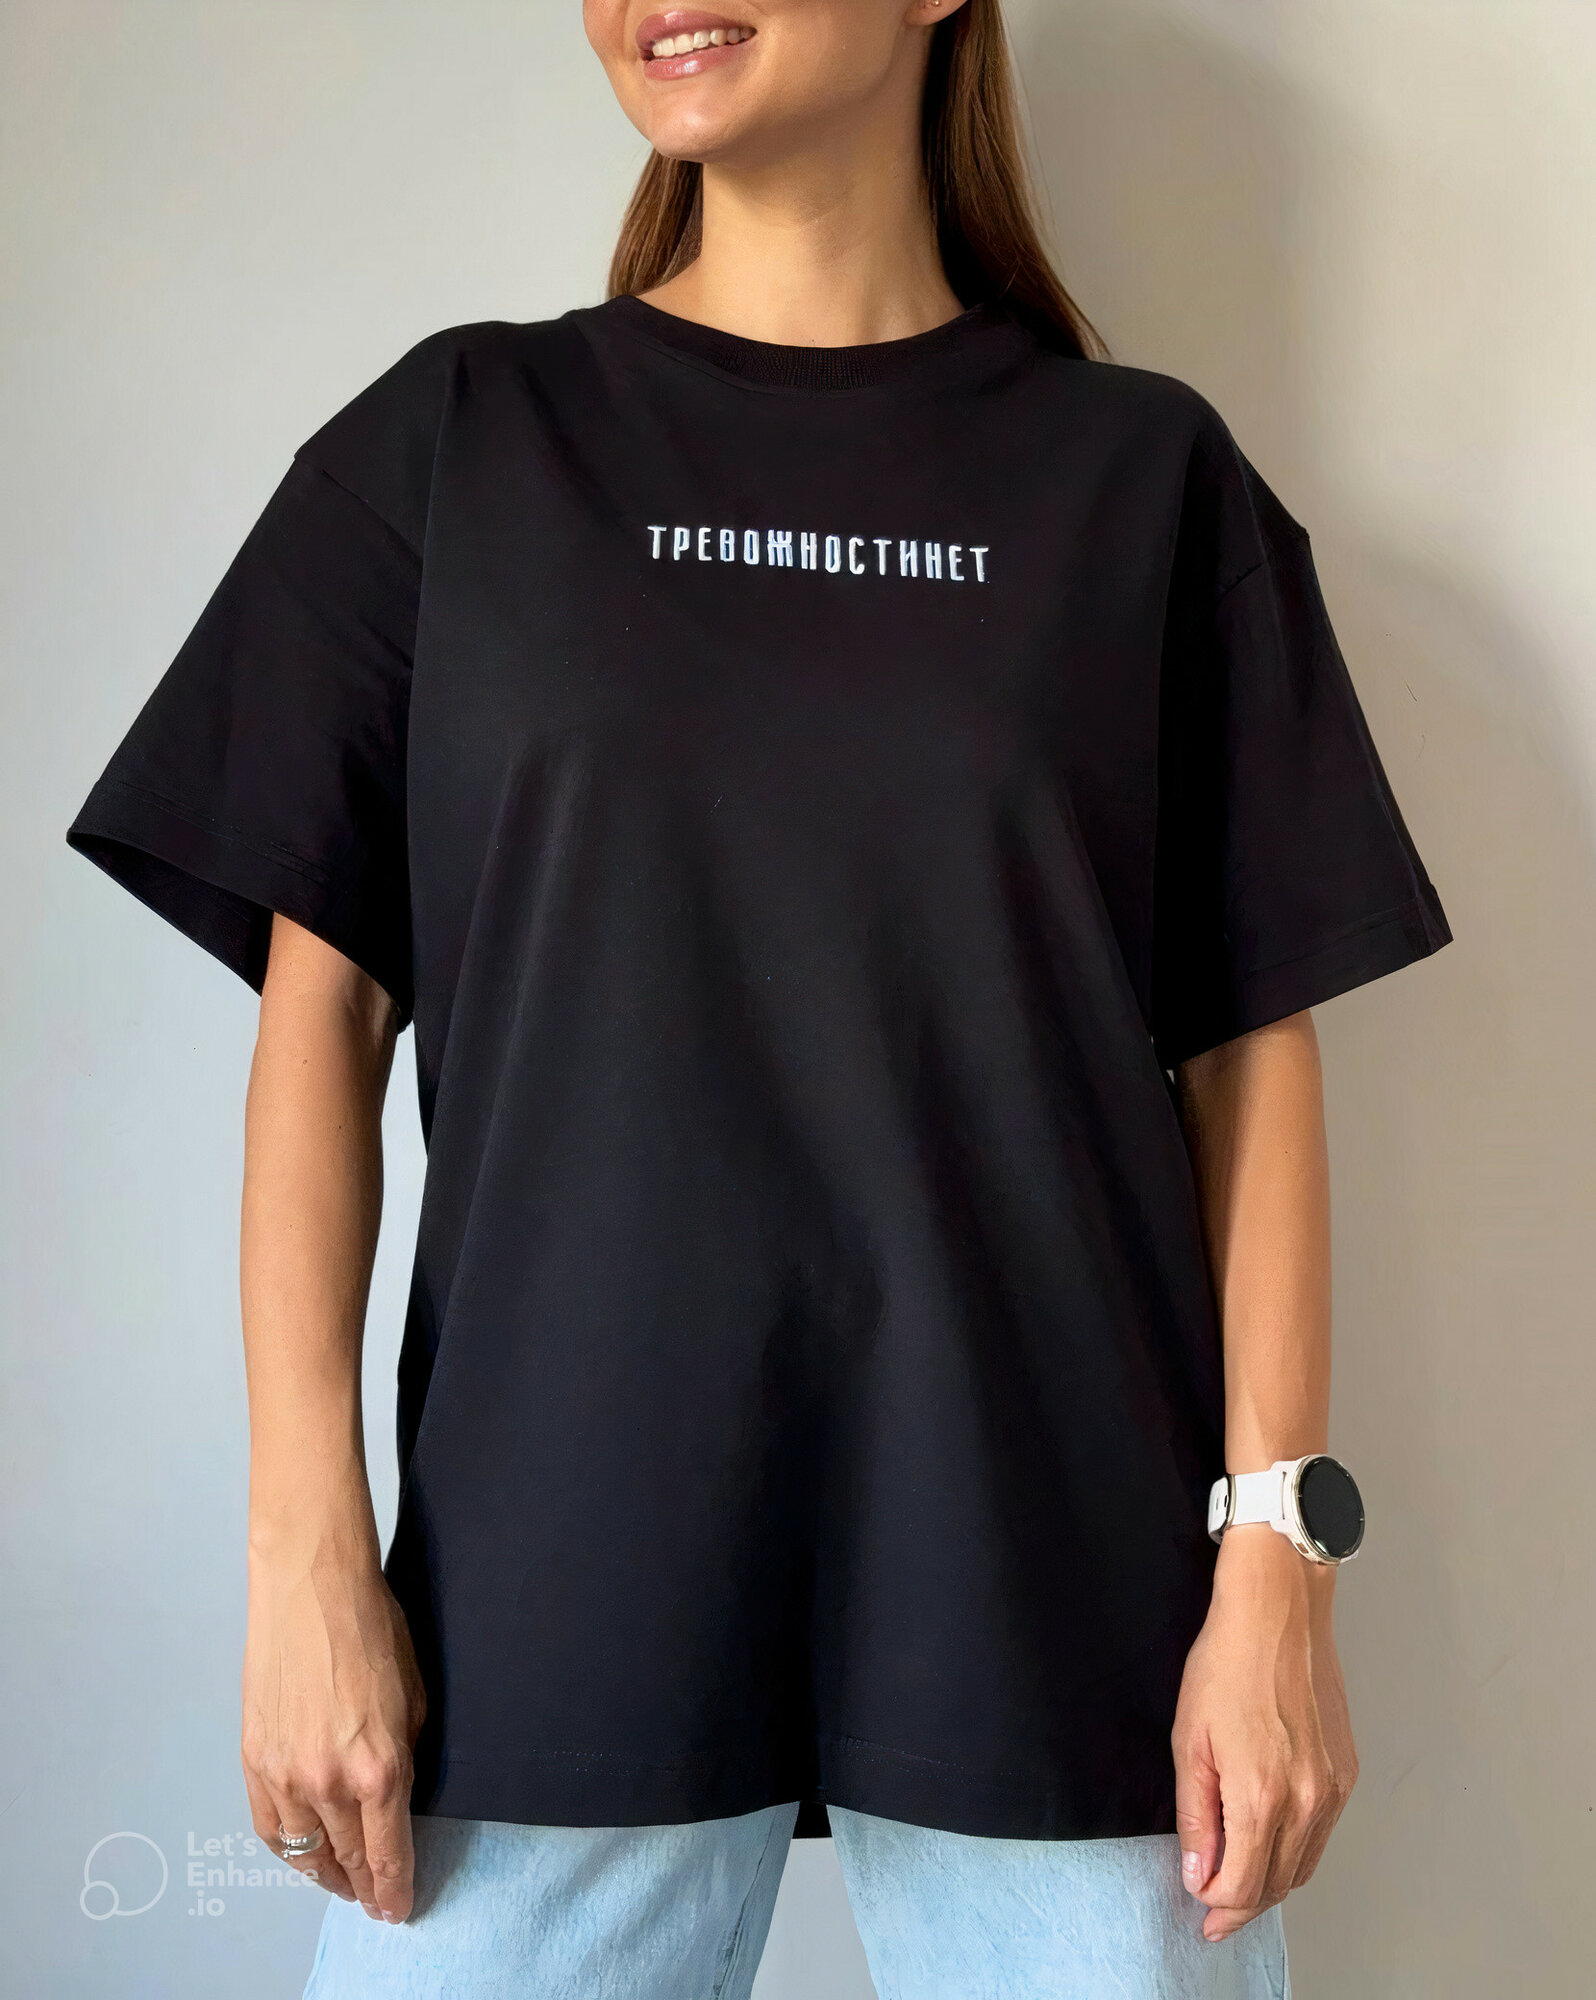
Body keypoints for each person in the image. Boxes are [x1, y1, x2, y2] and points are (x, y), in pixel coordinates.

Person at [67, 2, 1452, 1994]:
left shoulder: (1143, 480)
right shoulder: (459, 443)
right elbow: (322, 1022)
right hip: (543, 1591)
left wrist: (1277, 1565)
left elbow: (1251, 1051)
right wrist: (305, 1556)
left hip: (1069, 1601)